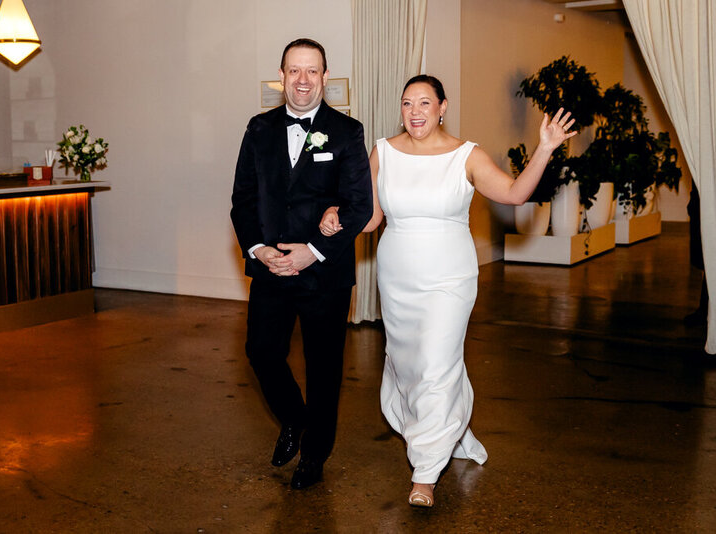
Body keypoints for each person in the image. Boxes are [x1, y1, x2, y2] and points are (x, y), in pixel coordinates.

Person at [320, 75, 575, 506]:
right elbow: (370, 217)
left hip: (449, 280)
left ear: (442, 107)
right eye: (407, 103)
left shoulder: (466, 155)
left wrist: (546, 148)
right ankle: (449, 429)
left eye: (424, 102)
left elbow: (514, 194)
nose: (415, 111)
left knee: (437, 364)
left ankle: (425, 472)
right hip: (397, 278)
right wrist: (334, 214)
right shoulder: (382, 151)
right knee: (411, 365)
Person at [230, 38, 372, 490]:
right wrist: (258, 250)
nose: (303, 80)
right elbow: (243, 200)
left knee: (324, 366)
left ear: (325, 77)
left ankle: (315, 455)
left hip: (324, 274)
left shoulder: (347, 132)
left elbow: (359, 207)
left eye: (312, 71)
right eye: (295, 71)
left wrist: (312, 250)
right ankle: (295, 418)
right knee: (261, 351)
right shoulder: (258, 129)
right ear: (282, 76)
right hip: (271, 269)